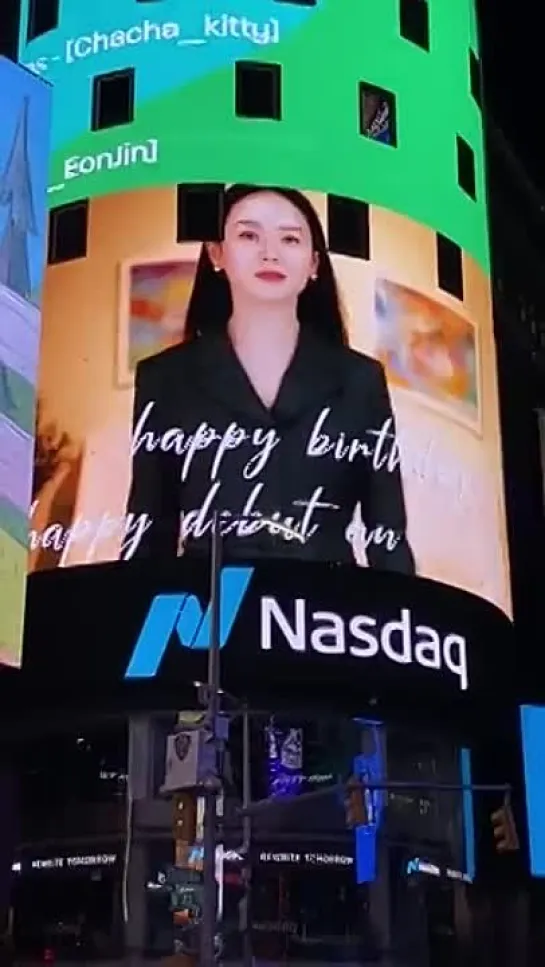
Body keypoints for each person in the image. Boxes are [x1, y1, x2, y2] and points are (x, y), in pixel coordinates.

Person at [126, 183, 415, 574]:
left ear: (313, 264)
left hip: (330, 619)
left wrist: (400, 625)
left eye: (290, 239)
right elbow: (148, 530)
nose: (270, 253)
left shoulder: (360, 380)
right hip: (207, 615)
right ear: (216, 254)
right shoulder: (164, 379)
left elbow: (388, 534)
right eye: (248, 235)